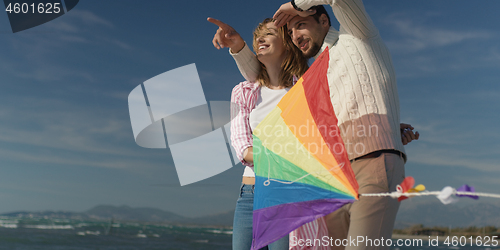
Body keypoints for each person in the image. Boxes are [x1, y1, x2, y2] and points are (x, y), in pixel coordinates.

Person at [220, 0, 419, 249]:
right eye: (290, 32)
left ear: (324, 21)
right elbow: (262, 78)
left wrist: (294, 5)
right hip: (330, 176)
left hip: (366, 163)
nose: (295, 35)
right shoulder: (314, 74)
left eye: (300, 25)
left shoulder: (356, 36)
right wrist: (239, 48)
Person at [209, 17, 310, 250]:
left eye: (270, 33)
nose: (261, 39)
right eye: (258, 37)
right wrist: (285, 155)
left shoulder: (303, 90)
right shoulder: (244, 92)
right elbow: (243, 147)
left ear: (288, 42)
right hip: (250, 193)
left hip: (286, 193)